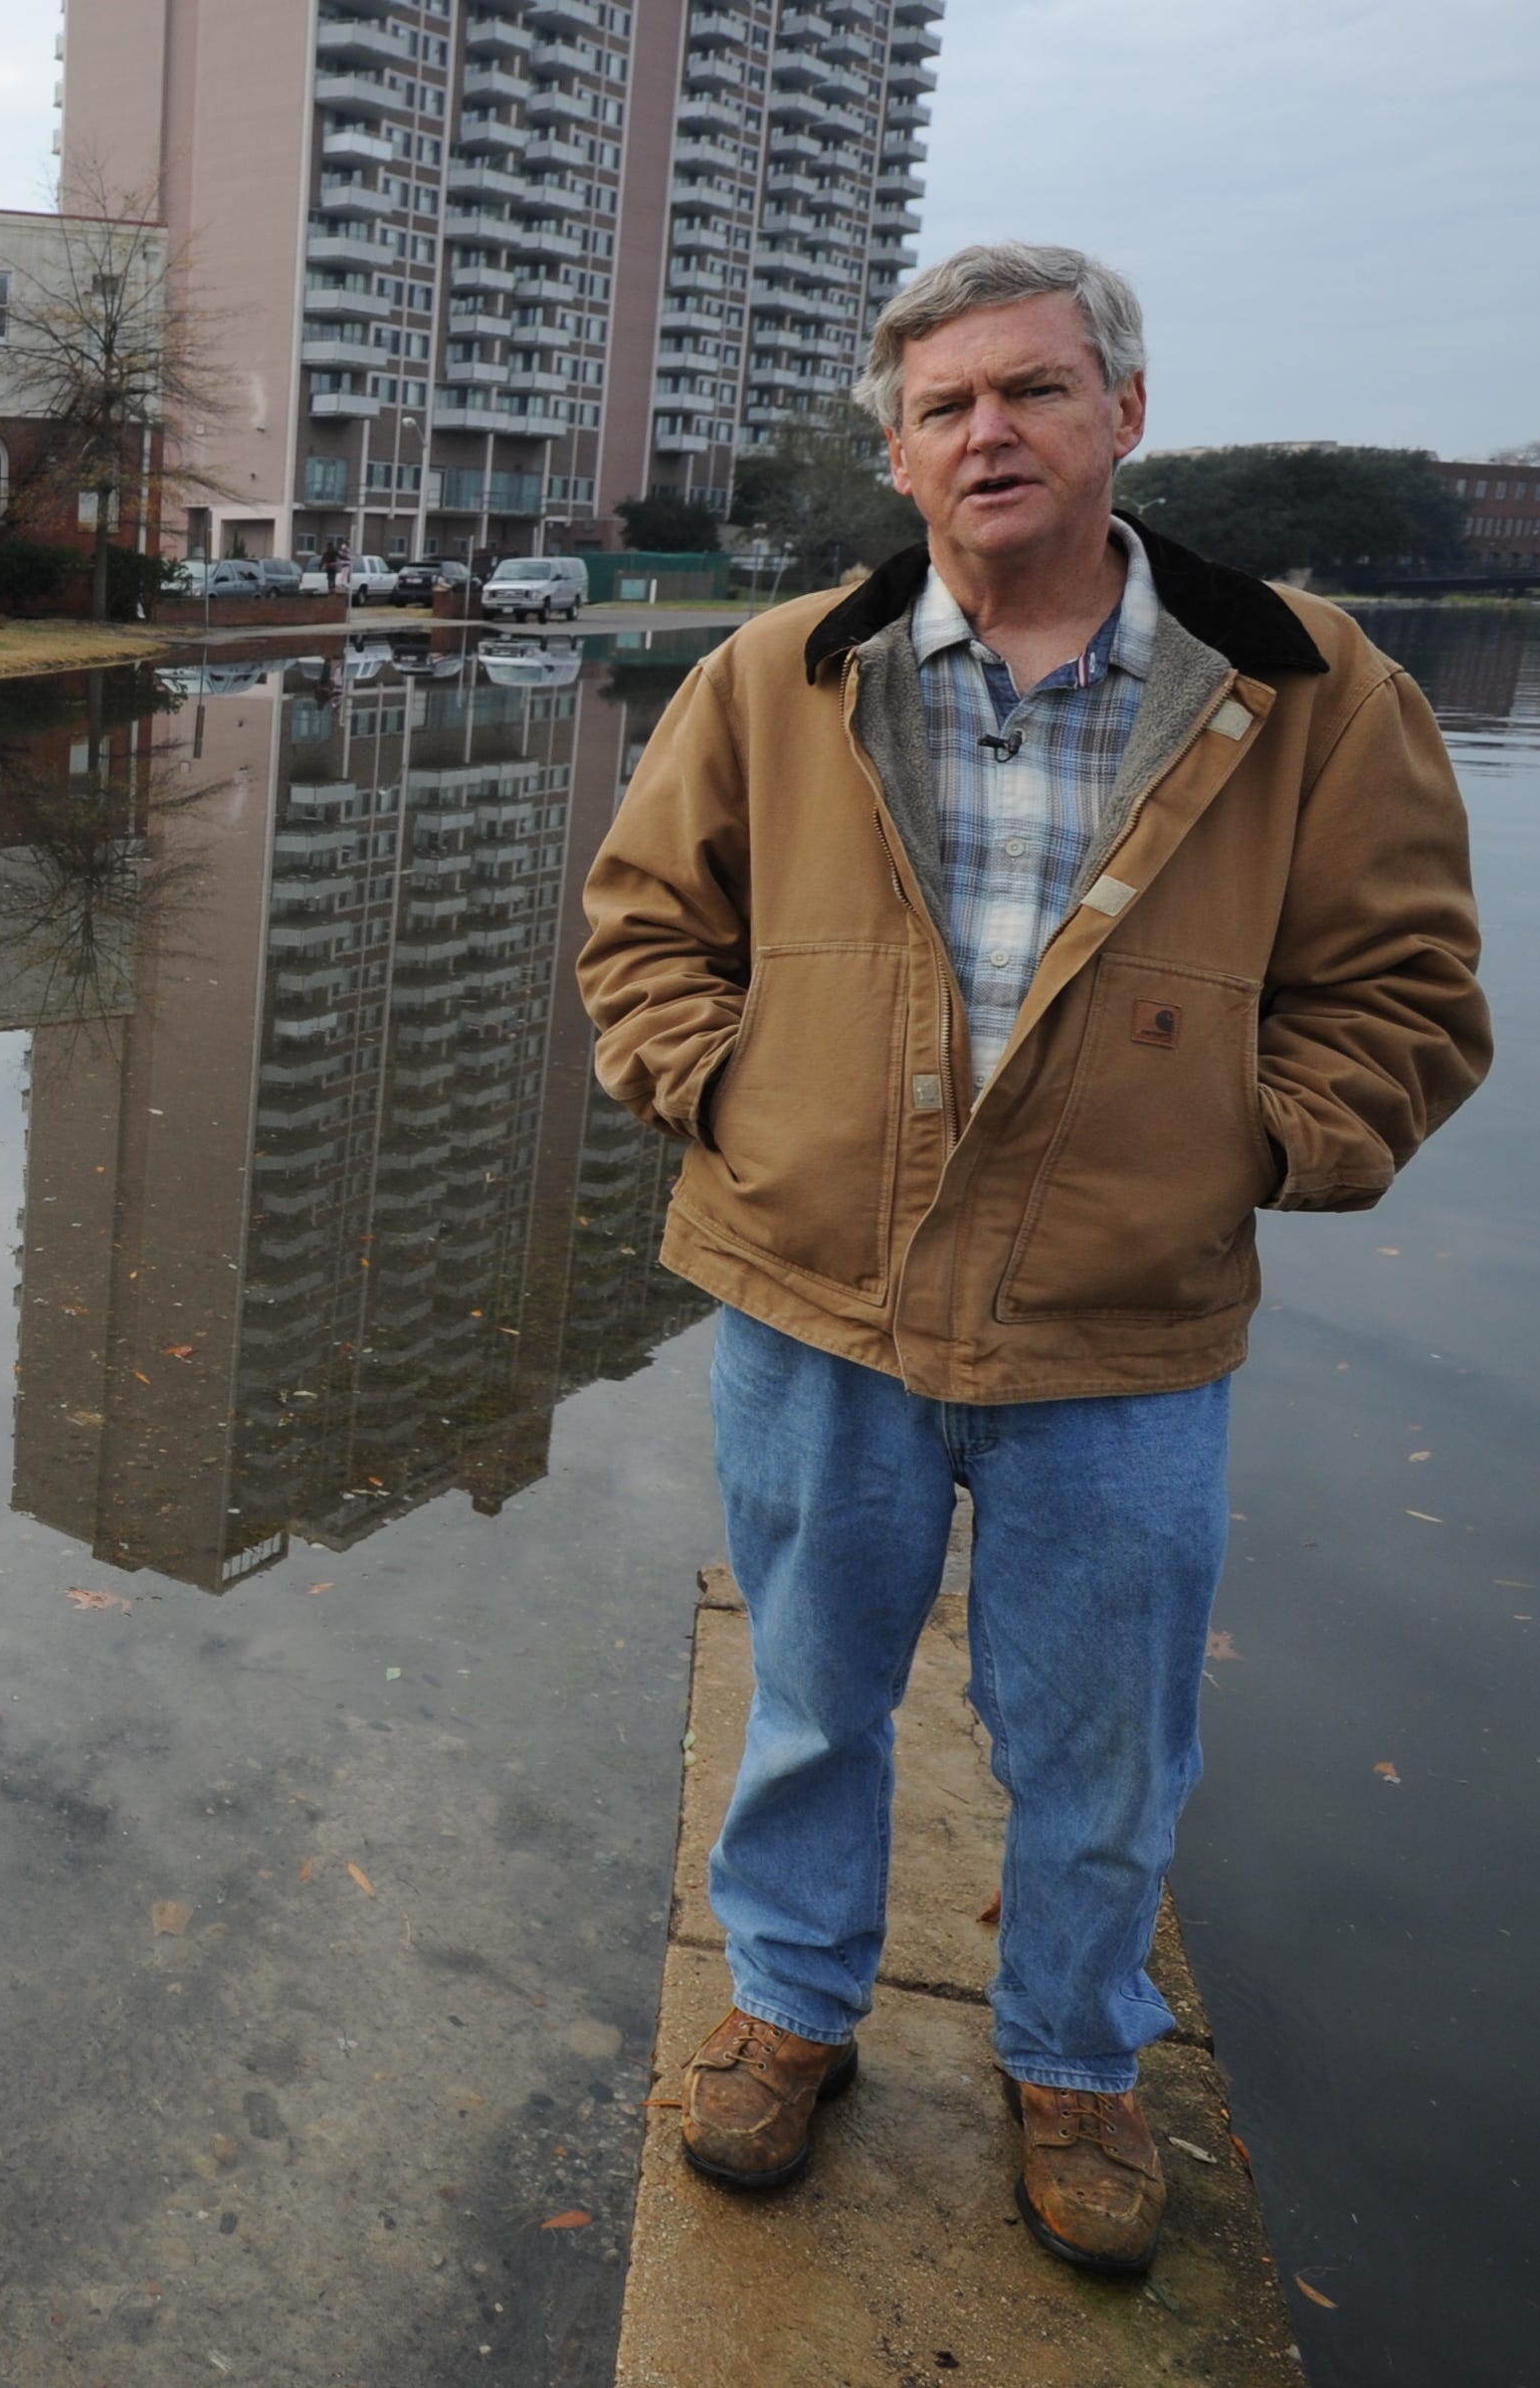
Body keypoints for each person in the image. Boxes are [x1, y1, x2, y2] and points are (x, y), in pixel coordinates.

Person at [576, 243, 1491, 2276]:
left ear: (1122, 417)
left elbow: (1408, 990)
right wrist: (731, 1096)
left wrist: (1238, 1152)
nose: (988, 431)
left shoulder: (1304, 685)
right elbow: (641, 933)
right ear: (896, 454)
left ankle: (1074, 2059)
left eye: (1035, 391)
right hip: (820, 1295)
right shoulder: (778, 674)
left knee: (1094, 1730)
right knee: (810, 1693)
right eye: (945, 405)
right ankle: (793, 2010)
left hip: (1124, 1322)